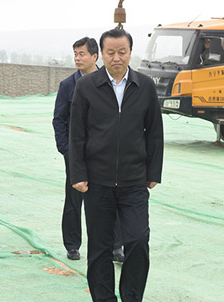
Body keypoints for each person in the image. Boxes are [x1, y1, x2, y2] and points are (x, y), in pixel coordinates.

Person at [69, 28, 163, 302]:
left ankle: (132, 296)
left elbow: (154, 132)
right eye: (110, 52)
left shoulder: (144, 86)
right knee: (100, 247)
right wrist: (78, 173)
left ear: (131, 53)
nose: (116, 57)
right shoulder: (86, 86)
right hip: (97, 181)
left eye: (122, 52)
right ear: (101, 54)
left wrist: (153, 172)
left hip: (135, 181)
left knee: (137, 240)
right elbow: (77, 134)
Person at [52, 37, 124, 262]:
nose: (77, 58)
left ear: (95, 56)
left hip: (104, 153)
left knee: (111, 198)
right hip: (76, 154)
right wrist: (66, 149)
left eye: (81, 54)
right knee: (74, 199)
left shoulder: (110, 82)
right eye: (75, 54)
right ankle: (72, 245)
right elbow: (59, 119)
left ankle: (116, 246)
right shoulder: (68, 85)